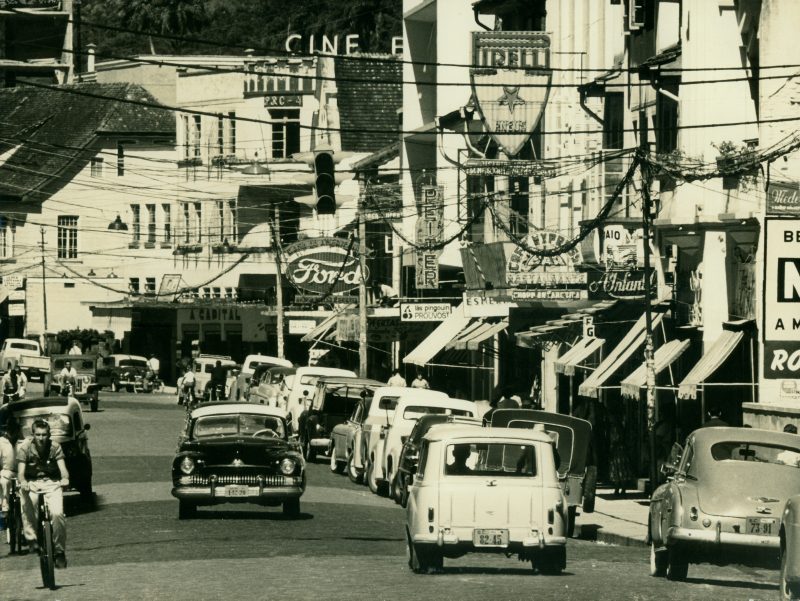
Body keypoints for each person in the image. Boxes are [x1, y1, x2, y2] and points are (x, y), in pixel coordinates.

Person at [17, 419, 70, 569]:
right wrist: (24, 482)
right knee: (28, 506)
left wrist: (65, 478)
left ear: (49, 434)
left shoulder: (55, 447)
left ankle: (59, 551)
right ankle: (32, 537)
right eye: (38, 435)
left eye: (44, 435)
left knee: (57, 514)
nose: (41, 438)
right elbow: (21, 473)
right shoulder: (25, 448)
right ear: (32, 434)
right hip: (32, 483)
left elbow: (63, 469)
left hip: (52, 483)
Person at [0, 416, 21, 524]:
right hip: (6, 471)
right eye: (9, 430)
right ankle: (5, 506)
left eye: (15, 430)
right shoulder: (1, 442)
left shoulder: (23, 442)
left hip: (20, 472)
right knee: (4, 482)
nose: (12, 433)